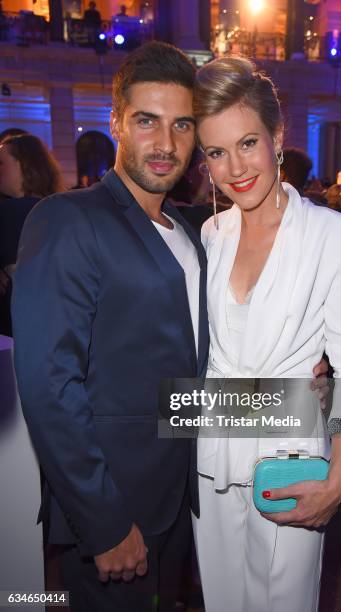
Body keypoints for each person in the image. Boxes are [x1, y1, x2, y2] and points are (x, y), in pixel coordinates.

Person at [11, 41, 208, 612]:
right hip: (116, 510)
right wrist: (103, 523)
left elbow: (186, 380)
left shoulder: (192, 231)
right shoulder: (68, 219)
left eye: (182, 125)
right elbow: (50, 386)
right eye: (148, 121)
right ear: (118, 120)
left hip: (185, 502)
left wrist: (316, 400)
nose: (166, 144)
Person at [192, 57, 341, 612]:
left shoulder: (338, 238)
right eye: (216, 152)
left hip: (290, 454)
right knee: (222, 600)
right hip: (209, 452)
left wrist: (340, 476)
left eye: (248, 143)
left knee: (283, 603)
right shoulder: (210, 232)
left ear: (276, 136)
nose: (234, 167)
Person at [0, 134, 64, 336]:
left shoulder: (12, 212)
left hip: (18, 335)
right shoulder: (60, 208)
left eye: (1, 163)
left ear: (24, 165)